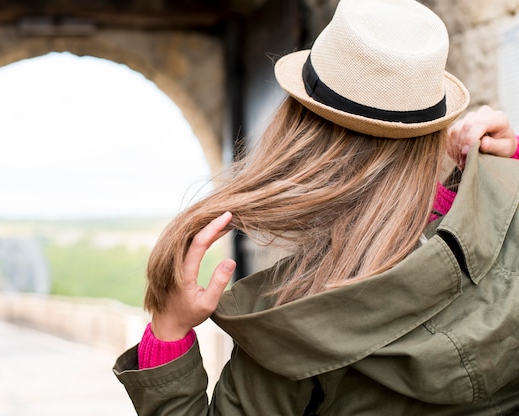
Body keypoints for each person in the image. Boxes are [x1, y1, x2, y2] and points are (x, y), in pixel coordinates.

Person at [114, 0, 519, 414]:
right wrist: (502, 178)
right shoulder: (511, 216)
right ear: (432, 128)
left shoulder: (289, 327)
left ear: (296, 127)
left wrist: (168, 330)